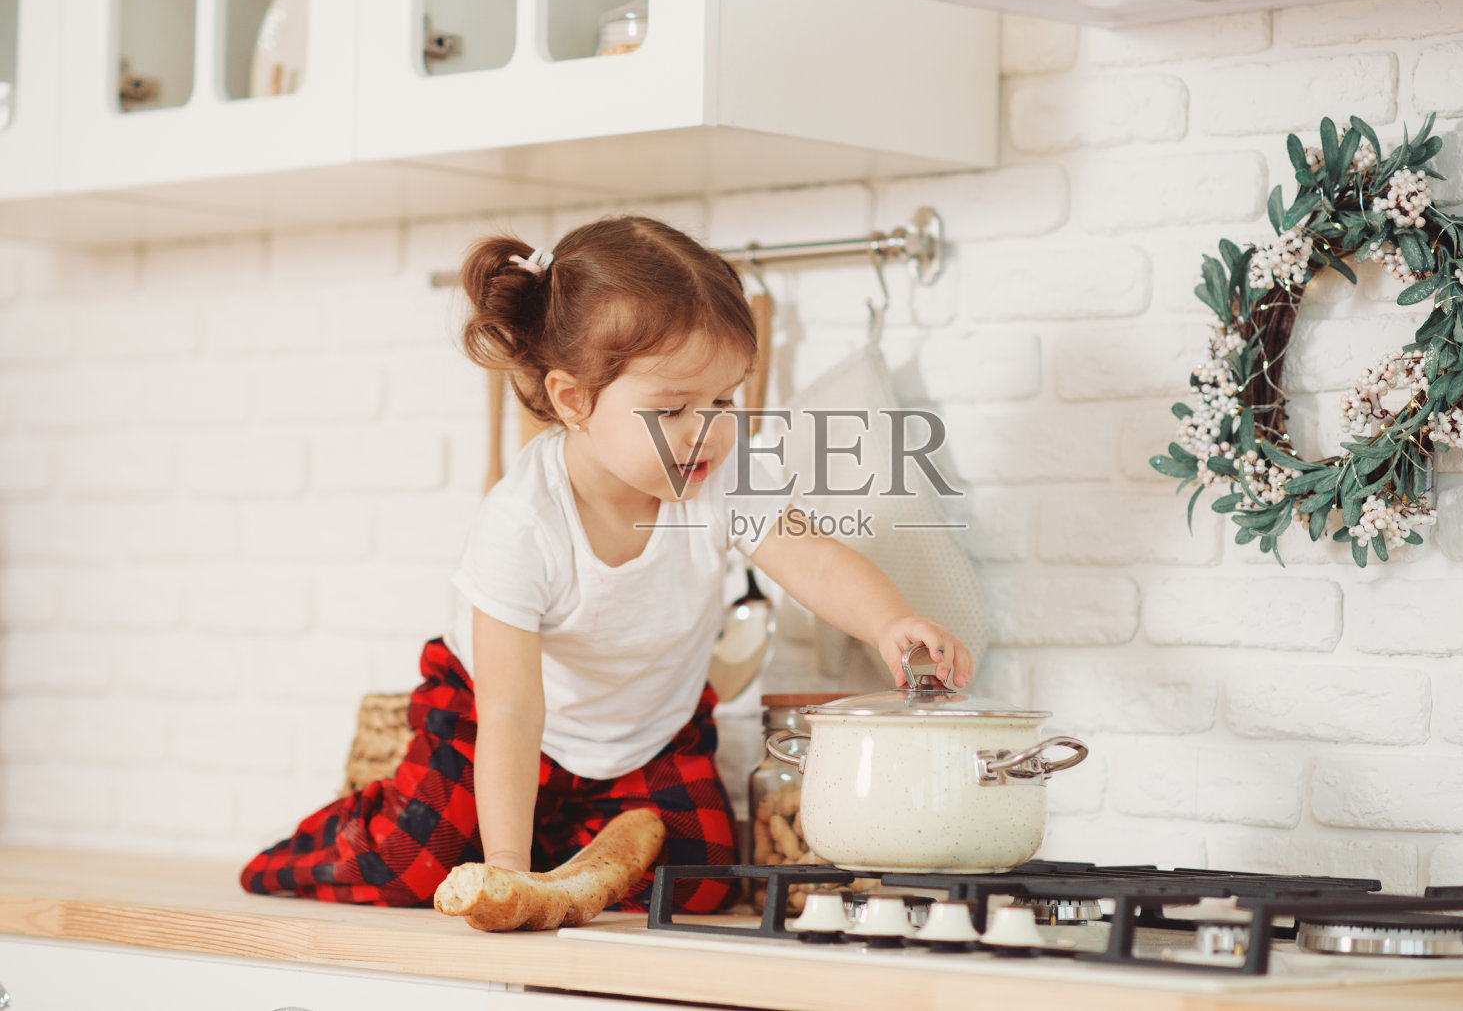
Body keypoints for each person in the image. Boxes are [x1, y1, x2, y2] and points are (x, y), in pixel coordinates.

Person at [239, 215, 974, 913]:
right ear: (573, 400)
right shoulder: (524, 521)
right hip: (498, 723)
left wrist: (890, 622)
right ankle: (327, 843)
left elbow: (811, 560)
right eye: (674, 407)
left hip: (646, 734)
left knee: (705, 881)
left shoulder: (723, 476)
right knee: (414, 863)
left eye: (724, 399)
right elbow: (511, 711)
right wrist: (507, 872)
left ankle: (562, 839)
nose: (707, 429)